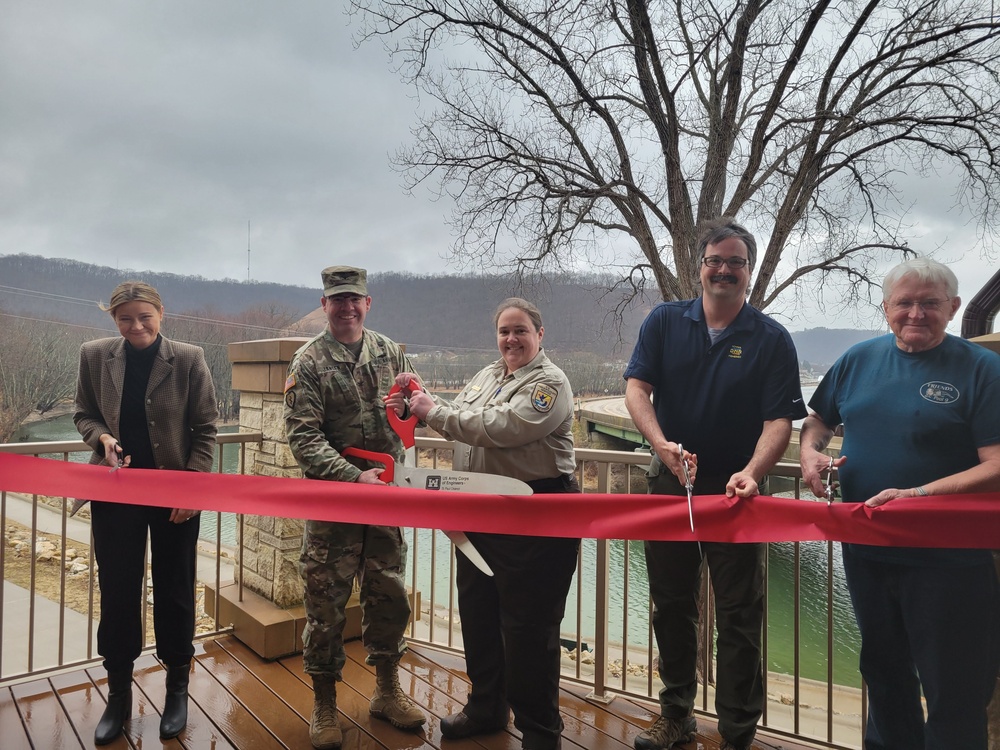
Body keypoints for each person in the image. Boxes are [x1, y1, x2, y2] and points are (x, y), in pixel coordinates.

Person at [799, 257, 1000, 750]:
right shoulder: (857, 359)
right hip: (867, 551)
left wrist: (917, 495)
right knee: (885, 677)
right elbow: (818, 421)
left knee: (953, 689)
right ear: (886, 307)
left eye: (929, 303)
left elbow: (997, 463)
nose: (916, 313)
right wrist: (809, 454)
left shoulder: (984, 369)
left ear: (952, 308)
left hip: (948, 560)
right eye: (904, 303)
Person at [622, 218, 806, 750]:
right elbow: (638, 390)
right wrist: (661, 445)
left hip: (737, 498)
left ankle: (737, 733)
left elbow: (779, 423)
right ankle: (675, 713)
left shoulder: (771, 338)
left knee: (740, 616)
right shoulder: (663, 321)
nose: (724, 269)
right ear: (699, 266)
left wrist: (751, 473)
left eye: (736, 261)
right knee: (671, 606)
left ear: (748, 271)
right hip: (670, 489)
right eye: (714, 260)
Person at [396, 297, 580, 750]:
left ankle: (540, 732)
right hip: (481, 511)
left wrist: (431, 412)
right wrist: (418, 398)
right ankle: (487, 707)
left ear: (540, 335)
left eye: (520, 331)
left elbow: (503, 427)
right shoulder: (486, 376)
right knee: (478, 613)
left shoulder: (549, 383)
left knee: (528, 629)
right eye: (504, 332)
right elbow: (459, 416)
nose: (511, 339)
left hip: (536, 512)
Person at [284, 266, 426, 750]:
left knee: (388, 594)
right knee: (325, 605)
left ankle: (386, 691)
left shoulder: (392, 353)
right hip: (334, 506)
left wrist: (413, 414)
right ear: (324, 305)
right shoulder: (308, 362)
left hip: (385, 501)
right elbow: (303, 436)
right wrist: (352, 476)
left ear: (369, 304)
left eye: (354, 299)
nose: (346, 307)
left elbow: (409, 415)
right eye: (337, 299)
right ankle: (324, 704)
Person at [73, 281, 218, 745]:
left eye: (144, 317)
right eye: (125, 318)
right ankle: (118, 695)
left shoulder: (189, 358)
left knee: (175, 590)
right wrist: (102, 439)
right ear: (112, 319)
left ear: (161, 315)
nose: (136, 326)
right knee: (117, 593)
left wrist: (192, 489)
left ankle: (177, 689)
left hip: (176, 496)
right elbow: (83, 414)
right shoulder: (94, 355)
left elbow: (207, 430)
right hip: (115, 494)